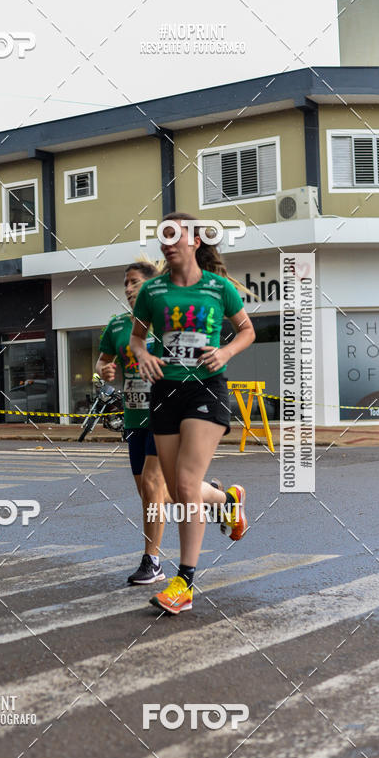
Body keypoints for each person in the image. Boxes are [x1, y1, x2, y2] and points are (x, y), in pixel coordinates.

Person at [130, 212, 256, 614]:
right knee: (176, 488)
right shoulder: (154, 292)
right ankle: (226, 500)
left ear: (194, 241)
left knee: (184, 485)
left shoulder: (219, 289)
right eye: (161, 235)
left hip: (206, 389)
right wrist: (144, 354)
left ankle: (183, 581)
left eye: (174, 234)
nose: (166, 242)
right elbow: (136, 339)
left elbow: (248, 330)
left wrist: (225, 351)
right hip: (165, 391)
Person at [96, 260, 229, 585]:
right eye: (125, 283)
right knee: (152, 493)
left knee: (156, 489)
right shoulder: (117, 326)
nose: (128, 289)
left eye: (135, 282)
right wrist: (104, 371)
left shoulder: (172, 325)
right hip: (134, 418)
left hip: (167, 417)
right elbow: (102, 362)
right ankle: (218, 496)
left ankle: (152, 561)